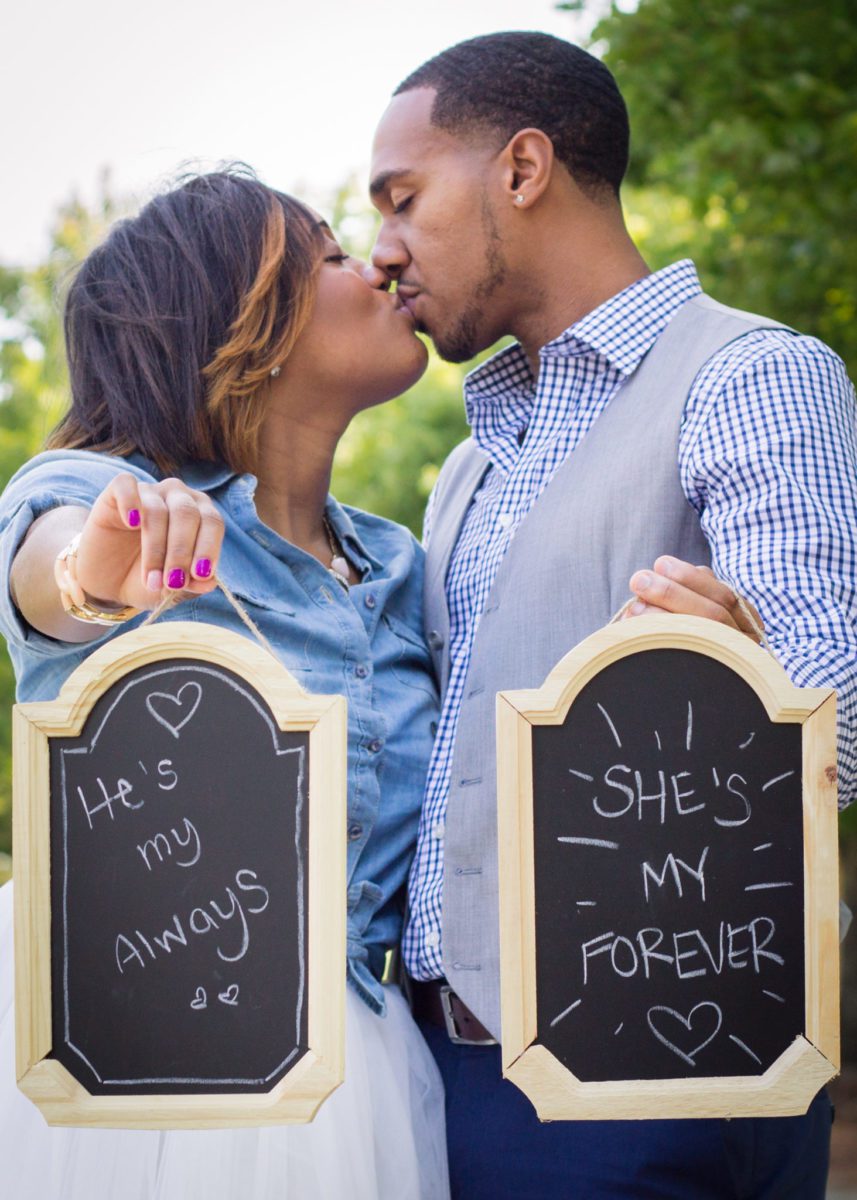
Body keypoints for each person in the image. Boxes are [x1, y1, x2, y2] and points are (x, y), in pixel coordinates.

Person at [368, 31, 857, 1199]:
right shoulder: (466, 468)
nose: (382, 250)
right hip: (452, 1073)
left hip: (653, 1067)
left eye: (402, 198)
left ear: (521, 169)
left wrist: (747, 686)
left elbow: (839, 716)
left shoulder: (747, 375)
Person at [0, 169, 450, 1200]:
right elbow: (51, 576)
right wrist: (98, 571)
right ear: (248, 323)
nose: (380, 265)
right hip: (146, 1058)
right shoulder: (100, 493)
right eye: (333, 254)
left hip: (359, 1071)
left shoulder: (400, 566)